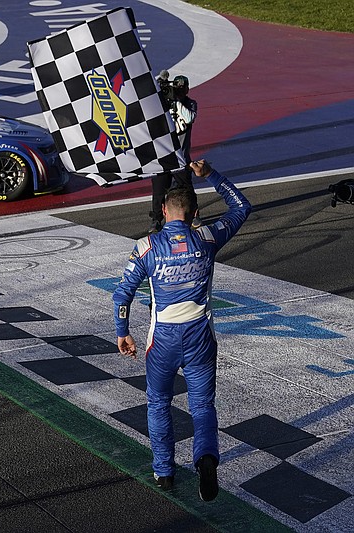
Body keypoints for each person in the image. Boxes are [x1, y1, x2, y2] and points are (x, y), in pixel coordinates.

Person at [112, 160, 251, 501]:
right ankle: (205, 457)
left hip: (163, 341)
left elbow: (122, 294)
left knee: (159, 402)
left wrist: (122, 331)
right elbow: (242, 206)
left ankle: (164, 473)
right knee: (202, 406)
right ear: (195, 213)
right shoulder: (207, 237)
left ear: (163, 210)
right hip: (200, 336)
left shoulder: (146, 246)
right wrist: (211, 175)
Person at [149, 74, 198, 233]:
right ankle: (156, 220)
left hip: (181, 158)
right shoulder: (163, 104)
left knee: (186, 189)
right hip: (163, 156)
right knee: (158, 191)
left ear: (187, 89)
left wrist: (175, 101)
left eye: (183, 89)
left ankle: (194, 215)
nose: (180, 91)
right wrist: (159, 87)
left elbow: (189, 118)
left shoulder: (191, 104)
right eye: (177, 89)